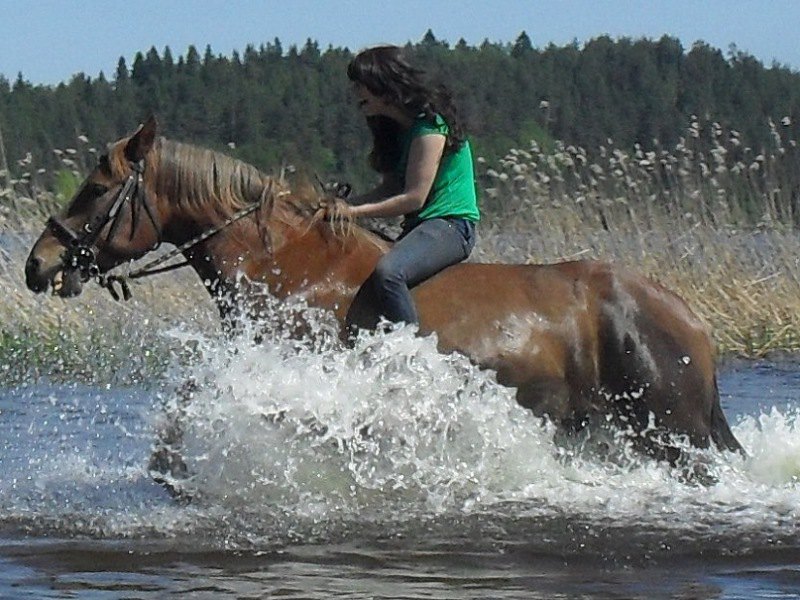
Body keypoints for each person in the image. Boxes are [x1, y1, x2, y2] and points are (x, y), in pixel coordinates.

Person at [330, 45, 480, 327]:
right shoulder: (396, 133)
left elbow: (413, 198)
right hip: (419, 228)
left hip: (451, 226)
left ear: (385, 85)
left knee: (390, 272)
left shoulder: (431, 126)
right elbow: (388, 190)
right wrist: (344, 206)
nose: (355, 94)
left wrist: (353, 214)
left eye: (361, 86)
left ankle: (411, 353)